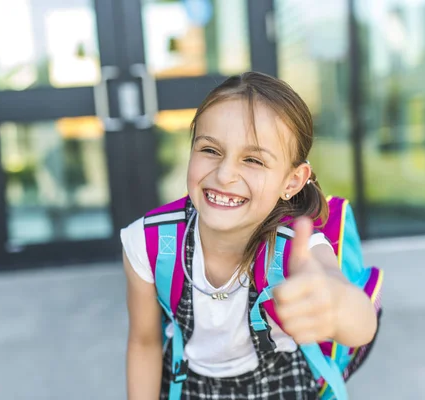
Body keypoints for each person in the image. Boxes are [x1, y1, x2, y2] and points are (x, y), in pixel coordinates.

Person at [121, 72, 380, 399]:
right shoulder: (148, 243)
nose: (225, 174)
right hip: (188, 386)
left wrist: (337, 305)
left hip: (281, 384)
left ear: (292, 181)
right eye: (210, 150)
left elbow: (361, 323)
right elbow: (144, 343)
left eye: (253, 159)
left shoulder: (294, 249)